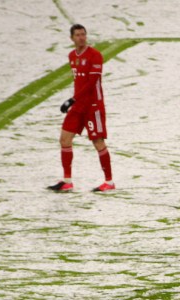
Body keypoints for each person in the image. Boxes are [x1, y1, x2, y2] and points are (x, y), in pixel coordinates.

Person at [47, 24, 114, 193]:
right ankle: (67, 181)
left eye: (83, 34)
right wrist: (75, 101)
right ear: (72, 38)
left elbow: (91, 83)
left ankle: (109, 182)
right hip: (78, 106)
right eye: (77, 35)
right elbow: (79, 82)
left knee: (98, 142)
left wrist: (72, 99)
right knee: (64, 139)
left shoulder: (95, 56)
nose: (81, 37)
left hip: (93, 106)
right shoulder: (72, 56)